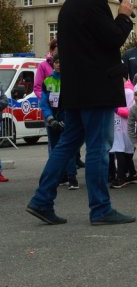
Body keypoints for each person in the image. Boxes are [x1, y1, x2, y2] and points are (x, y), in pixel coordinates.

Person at [27, 0, 135, 225]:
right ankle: (100, 209)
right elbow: (111, 39)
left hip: (75, 89)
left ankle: (42, 200)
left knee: (66, 145)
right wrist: (123, 16)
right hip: (96, 89)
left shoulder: (71, 3)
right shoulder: (93, 2)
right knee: (99, 147)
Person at [40, 54, 78, 190]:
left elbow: (74, 101)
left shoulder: (71, 80)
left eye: (61, 62)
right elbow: (44, 102)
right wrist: (50, 118)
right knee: (55, 149)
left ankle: (72, 178)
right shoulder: (47, 81)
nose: (59, 64)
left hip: (67, 117)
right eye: (56, 62)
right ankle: (61, 177)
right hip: (52, 119)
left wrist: (68, 120)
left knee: (69, 148)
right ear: (53, 64)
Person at [110, 79, 137, 189]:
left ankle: (121, 178)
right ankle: (132, 174)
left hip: (126, 126)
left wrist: (116, 109)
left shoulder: (128, 92)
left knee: (121, 150)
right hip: (116, 126)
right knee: (121, 149)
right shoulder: (113, 91)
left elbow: (131, 111)